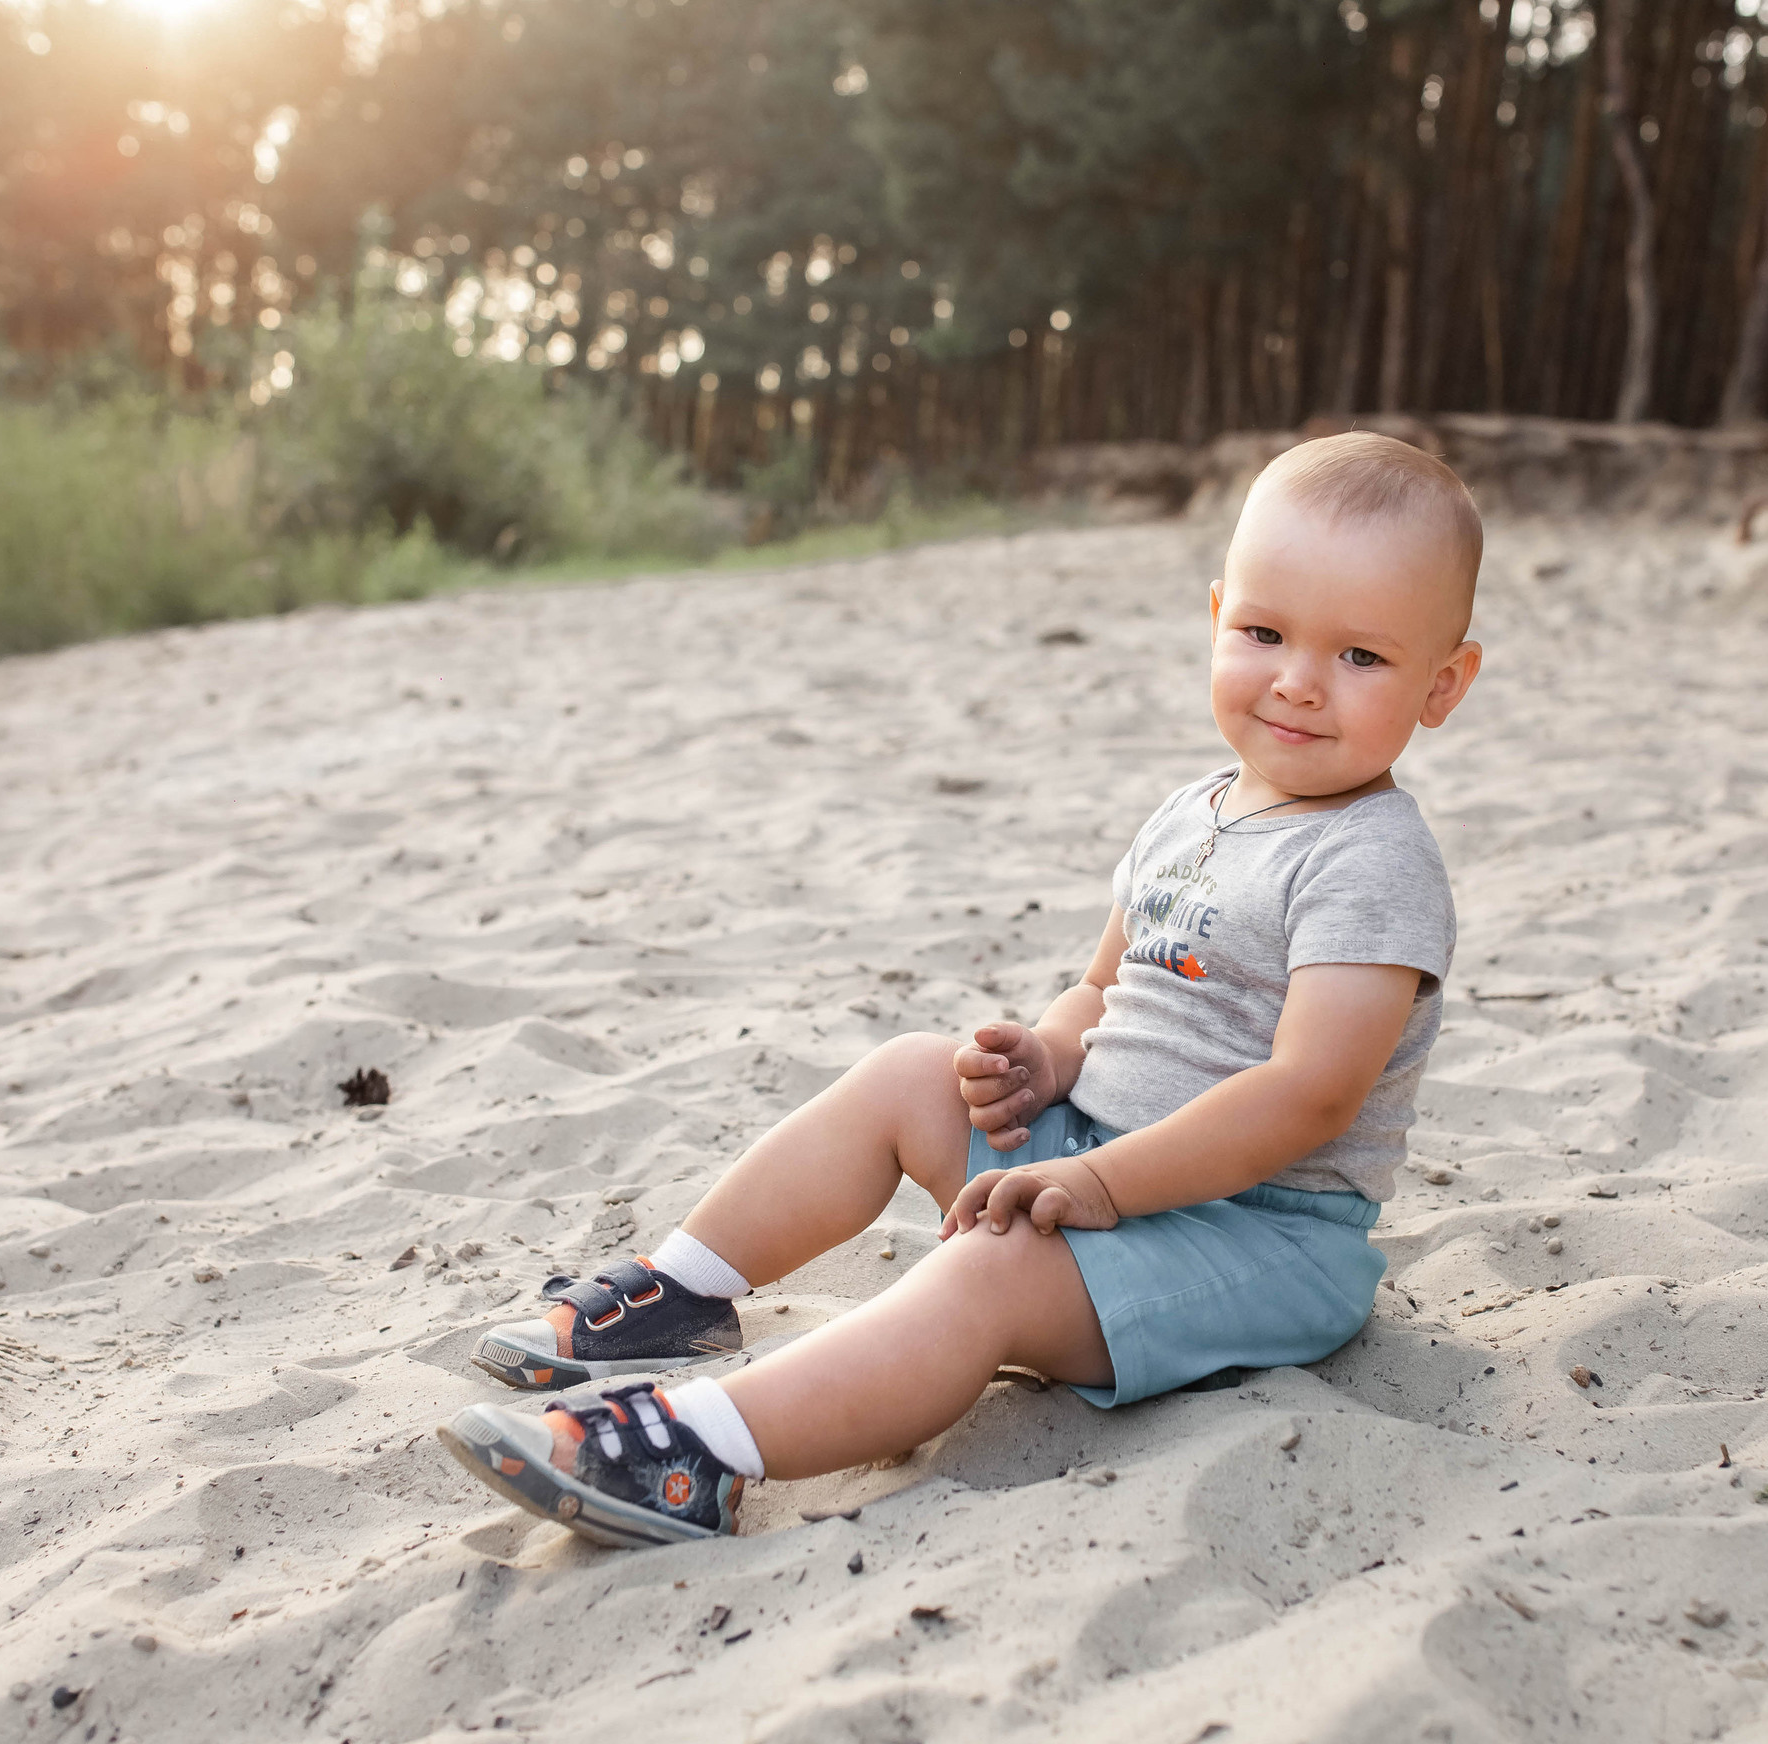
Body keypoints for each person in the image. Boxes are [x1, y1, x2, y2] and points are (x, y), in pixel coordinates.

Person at [435, 432, 1485, 1547]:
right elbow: (1104, 989)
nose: (1295, 680)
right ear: (1217, 613)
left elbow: (1308, 1095)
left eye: (1359, 656)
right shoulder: (1195, 812)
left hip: (1256, 1239)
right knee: (906, 1076)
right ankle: (681, 1290)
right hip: (1100, 1165)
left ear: (1442, 683)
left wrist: (1100, 1184)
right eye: (1263, 632)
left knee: (987, 1273)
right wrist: (1047, 1057)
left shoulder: (1371, 861)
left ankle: (696, 1453)